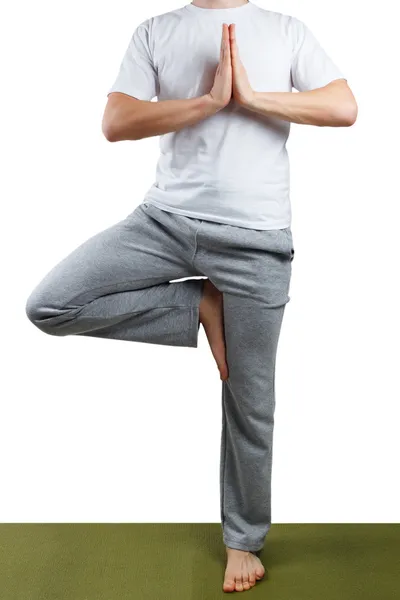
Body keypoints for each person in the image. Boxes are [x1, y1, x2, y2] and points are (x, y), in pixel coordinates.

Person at [25, 0, 357, 593]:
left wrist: (252, 99)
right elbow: (116, 121)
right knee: (50, 304)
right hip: (165, 223)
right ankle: (197, 305)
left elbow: (343, 106)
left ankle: (242, 541)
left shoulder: (285, 30)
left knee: (250, 400)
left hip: (257, 241)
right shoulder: (156, 30)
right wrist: (207, 102)